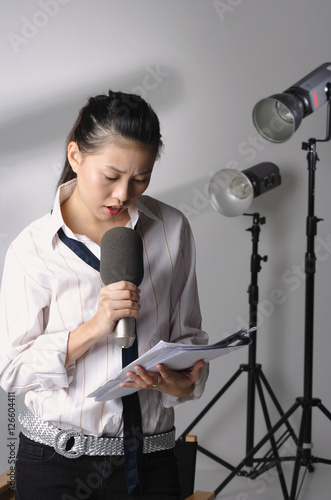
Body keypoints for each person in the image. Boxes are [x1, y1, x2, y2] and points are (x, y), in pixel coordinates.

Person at [0, 90, 209, 499]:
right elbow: (11, 371)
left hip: (154, 462)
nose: (123, 194)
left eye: (141, 178)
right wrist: (94, 328)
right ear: (75, 155)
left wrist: (184, 385)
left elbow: (189, 340)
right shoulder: (34, 247)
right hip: (56, 466)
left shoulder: (172, 228)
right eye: (111, 177)